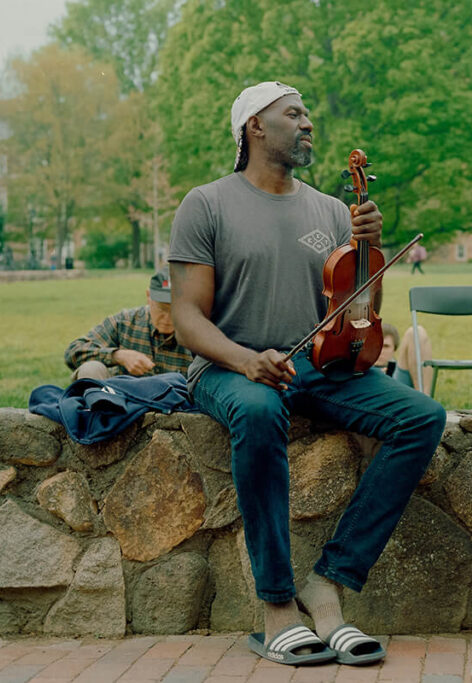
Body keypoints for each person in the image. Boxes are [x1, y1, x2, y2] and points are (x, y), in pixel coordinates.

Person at [167, 81, 446, 669]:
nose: (307, 122)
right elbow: (188, 318)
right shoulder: (207, 203)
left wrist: (370, 252)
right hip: (228, 367)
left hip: (316, 367)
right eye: (292, 114)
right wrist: (245, 360)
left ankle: (330, 580)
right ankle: (276, 608)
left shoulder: (329, 210)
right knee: (261, 408)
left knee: (421, 417)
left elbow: (359, 314)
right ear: (255, 127)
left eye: (308, 113)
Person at [64, 270, 192, 380]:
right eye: (162, 309)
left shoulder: (196, 332)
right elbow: (73, 351)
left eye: (175, 310)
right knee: (91, 369)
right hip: (120, 403)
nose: (168, 318)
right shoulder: (124, 322)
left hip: (179, 404)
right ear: (149, 297)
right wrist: (118, 356)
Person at [376, 322, 433, 394]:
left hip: (397, 385)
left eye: (386, 346)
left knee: (416, 332)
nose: (380, 351)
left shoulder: (398, 372)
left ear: (394, 349)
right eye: (377, 345)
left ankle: (424, 398)